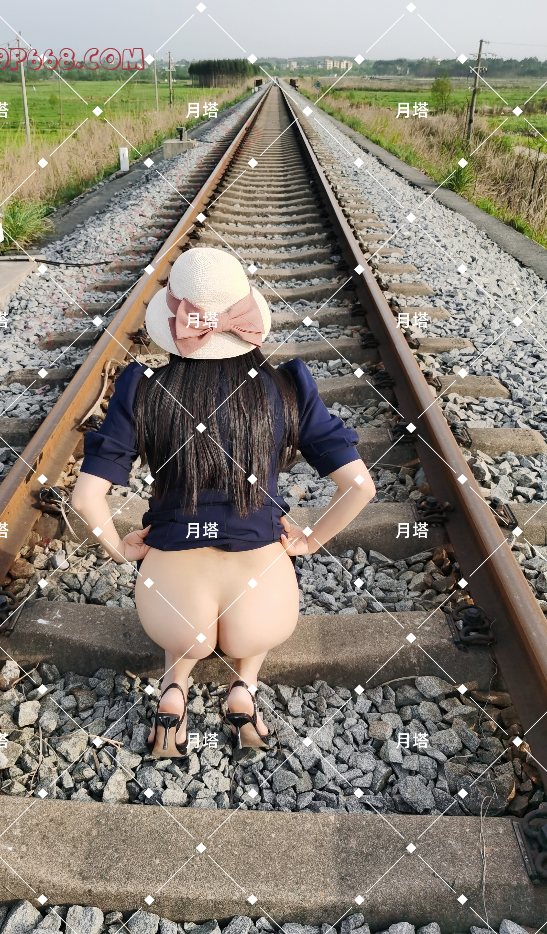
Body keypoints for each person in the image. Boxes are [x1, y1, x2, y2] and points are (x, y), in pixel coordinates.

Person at [71, 247, 376, 758]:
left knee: (187, 634)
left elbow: (86, 497)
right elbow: (360, 487)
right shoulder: (285, 387)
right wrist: (309, 540)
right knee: (252, 623)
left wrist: (120, 549)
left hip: (170, 604)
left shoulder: (141, 389)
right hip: (262, 605)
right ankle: (243, 692)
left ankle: (173, 692)